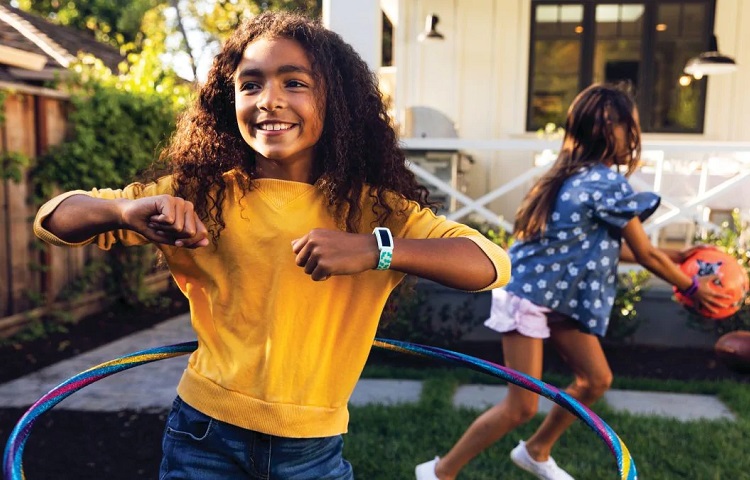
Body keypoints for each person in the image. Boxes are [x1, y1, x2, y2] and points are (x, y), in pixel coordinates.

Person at [33, 11, 511, 480]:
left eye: (294, 83)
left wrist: (376, 250)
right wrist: (123, 212)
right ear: (230, 99)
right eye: (251, 84)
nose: (269, 101)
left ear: (336, 100)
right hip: (204, 435)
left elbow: (490, 264)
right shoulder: (201, 195)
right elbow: (52, 219)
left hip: (312, 450)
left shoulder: (376, 213)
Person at [415, 83, 729, 480]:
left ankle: (537, 450)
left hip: (558, 298)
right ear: (610, 128)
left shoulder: (568, 176)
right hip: (527, 295)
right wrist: (691, 286)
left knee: (595, 379)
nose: (633, 136)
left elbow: (616, 249)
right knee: (522, 407)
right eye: (630, 126)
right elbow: (645, 253)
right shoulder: (603, 183)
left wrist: (679, 258)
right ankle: (439, 472)